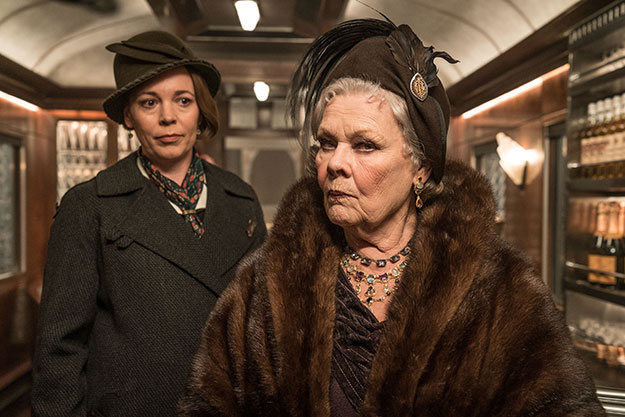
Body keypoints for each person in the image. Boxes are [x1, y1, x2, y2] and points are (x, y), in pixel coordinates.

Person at [177, 18, 605, 417]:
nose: (335, 163)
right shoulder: (266, 281)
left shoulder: (499, 288)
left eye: (365, 145)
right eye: (327, 143)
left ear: (420, 167)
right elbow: (207, 405)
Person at [32, 31, 267, 417]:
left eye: (183, 100)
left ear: (199, 110)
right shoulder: (89, 206)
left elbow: (263, 326)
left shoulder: (240, 199)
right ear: (129, 116)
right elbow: (60, 348)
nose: (168, 116)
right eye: (149, 102)